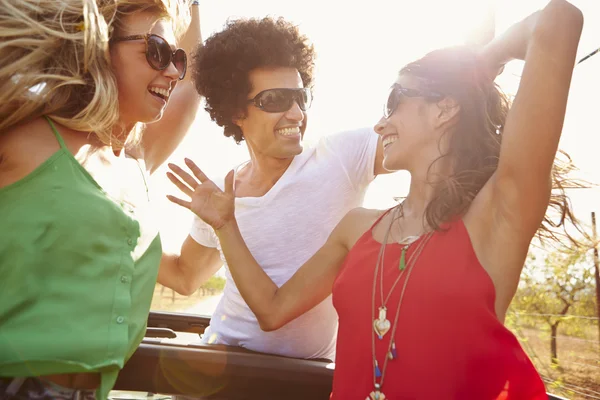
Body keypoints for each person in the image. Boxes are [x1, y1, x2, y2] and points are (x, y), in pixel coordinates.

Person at [167, 0, 584, 398]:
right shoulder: (358, 227)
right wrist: (222, 223)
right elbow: (269, 310)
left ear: (445, 109)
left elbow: (558, 21)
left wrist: (476, 67)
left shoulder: (496, 219)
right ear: (236, 110)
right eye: (276, 100)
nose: (379, 123)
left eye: (395, 102)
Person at [0, 0, 201, 398]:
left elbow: (192, 86)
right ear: (101, 50)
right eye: (157, 51)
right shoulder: (26, 138)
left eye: (177, 57)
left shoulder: (135, 162)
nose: (173, 70)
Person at [160, 16, 387, 361]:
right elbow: (185, 275)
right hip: (221, 368)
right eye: (276, 99)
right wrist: (114, 234)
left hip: (303, 381)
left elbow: (423, 141)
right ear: (236, 110)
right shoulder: (220, 194)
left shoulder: (341, 156)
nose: (296, 112)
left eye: (300, 97)